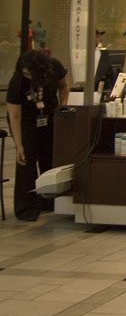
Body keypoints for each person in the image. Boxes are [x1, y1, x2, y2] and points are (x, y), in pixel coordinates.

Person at [6, 50, 69, 221]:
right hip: (25, 122)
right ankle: (26, 208)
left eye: (29, 73)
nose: (27, 76)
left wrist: (62, 106)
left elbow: (64, 86)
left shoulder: (54, 67)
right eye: (24, 72)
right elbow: (14, 115)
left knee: (49, 158)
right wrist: (19, 145)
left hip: (48, 118)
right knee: (26, 161)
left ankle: (49, 201)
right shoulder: (17, 81)